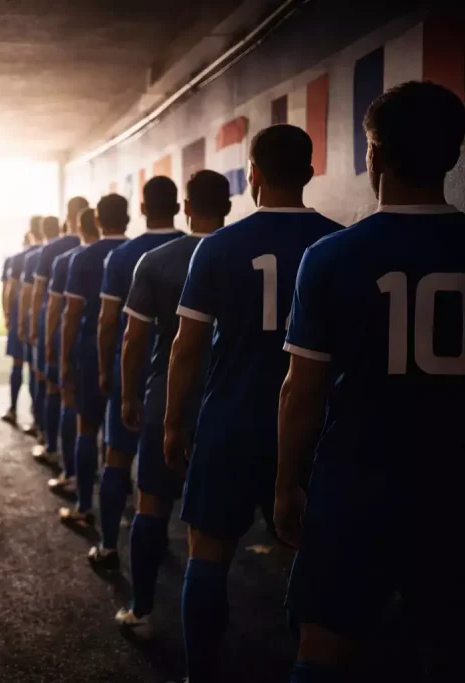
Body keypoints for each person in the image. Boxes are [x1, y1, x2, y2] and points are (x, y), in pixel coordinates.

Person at [279, 82, 465, 682]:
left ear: (373, 156)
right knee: (445, 648)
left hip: (356, 481)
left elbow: (301, 390)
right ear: (453, 156)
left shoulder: (332, 255)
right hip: (453, 485)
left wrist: (286, 482)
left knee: (321, 648)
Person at [164, 124, 341, 682]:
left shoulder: (218, 246)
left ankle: (200, 673)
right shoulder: (338, 243)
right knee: (307, 554)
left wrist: (173, 421)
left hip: (230, 421)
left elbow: (187, 347)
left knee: (207, 554)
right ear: (310, 173)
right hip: (311, 429)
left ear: (254, 176)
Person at [115, 170, 231, 631]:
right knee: (212, 534)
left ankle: (141, 610)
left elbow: (133, 338)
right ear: (229, 205)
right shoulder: (245, 254)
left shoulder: (158, 260)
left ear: (187, 207)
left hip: (167, 396)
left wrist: (128, 393)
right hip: (228, 402)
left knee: (152, 503)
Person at [89, 177, 184, 570]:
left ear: (142, 209)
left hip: (134, 370)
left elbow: (109, 322)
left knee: (117, 455)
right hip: (178, 378)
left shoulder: (123, 255)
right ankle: (156, 542)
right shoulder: (194, 250)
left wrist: (104, 369)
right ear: (178, 207)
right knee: (164, 472)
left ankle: (108, 546)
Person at [59, 194, 128, 526]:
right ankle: (125, 508)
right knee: (122, 440)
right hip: (133, 350)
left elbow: (72, 314)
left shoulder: (83, 257)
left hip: (90, 348)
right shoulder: (138, 251)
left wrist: (62, 357)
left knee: (87, 425)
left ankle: (84, 506)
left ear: (98, 221)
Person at [46, 207, 99, 494]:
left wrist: (58, 350)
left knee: (77, 410)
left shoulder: (73, 258)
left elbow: (66, 311)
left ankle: (73, 479)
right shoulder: (132, 253)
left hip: (87, 345)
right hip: (126, 349)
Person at [29, 208, 84, 465]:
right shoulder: (116, 251)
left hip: (65, 327)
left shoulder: (55, 253)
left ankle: (52, 447)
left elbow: (44, 297)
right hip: (103, 336)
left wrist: (40, 331)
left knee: (57, 387)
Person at [17, 215, 50, 438]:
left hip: (47, 323)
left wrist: (23, 322)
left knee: (39, 375)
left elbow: (30, 293)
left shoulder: (34, 257)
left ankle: (41, 428)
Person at [1, 230, 36, 425]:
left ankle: (13, 408)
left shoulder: (17, 259)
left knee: (18, 363)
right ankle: (36, 416)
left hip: (20, 315)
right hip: (39, 317)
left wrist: (7, 314)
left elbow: (9, 289)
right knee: (36, 369)